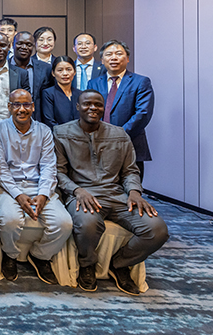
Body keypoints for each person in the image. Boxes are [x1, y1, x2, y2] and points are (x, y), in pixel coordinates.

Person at [54, 90, 168, 295]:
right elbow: (58, 172)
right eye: (87, 104)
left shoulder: (119, 134)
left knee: (157, 230)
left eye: (98, 104)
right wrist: (77, 190)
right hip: (81, 195)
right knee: (88, 224)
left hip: (117, 195)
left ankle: (120, 264)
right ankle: (87, 265)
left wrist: (134, 191)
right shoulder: (61, 133)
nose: (93, 108)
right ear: (78, 107)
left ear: (104, 108)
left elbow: (130, 170)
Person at [0, 90, 72, 286]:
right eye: (16, 104)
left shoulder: (44, 131)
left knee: (64, 224)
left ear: (33, 107)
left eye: (26, 104)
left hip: (39, 186)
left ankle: (40, 256)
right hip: (6, 188)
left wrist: (44, 194)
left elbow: (49, 166)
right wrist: (18, 195)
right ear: (9, 107)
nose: (22, 109)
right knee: (10, 220)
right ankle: (10, 255)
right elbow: (0, 169)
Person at [88, 40, 154, 179]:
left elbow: (142, 113)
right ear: (102, 60)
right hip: (99, 145)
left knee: (132, 187)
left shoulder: (140, 82)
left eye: (118, 54)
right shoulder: (93, 83)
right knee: (102, 187)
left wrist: (117, 137)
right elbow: (89, 112)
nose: (114, 58)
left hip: (130, 144)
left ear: (127, 58)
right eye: (109, 54)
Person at [10, 31, 52, 122]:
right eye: (19, 43)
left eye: (28, 45)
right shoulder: (4, 68)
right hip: (9, 121)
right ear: (12, 45)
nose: (24, 47)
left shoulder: (46, 68)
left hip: (37, 121)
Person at [41, 56, 81, 128]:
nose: (65, 73)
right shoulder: (48, 93)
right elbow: (49, 121)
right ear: (53, 73)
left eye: (68, 69)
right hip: (58, 133)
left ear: (74, 72)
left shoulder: (80, 94)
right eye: (60, 70)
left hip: (80, 134)